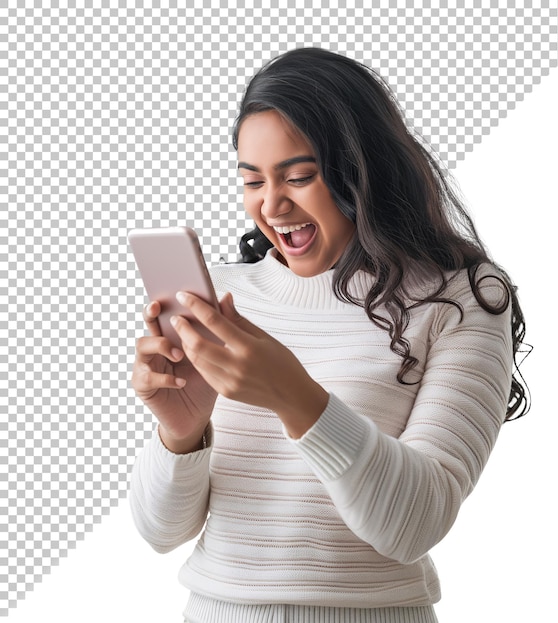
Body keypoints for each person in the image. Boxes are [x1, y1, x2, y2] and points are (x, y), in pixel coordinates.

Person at [129, 47, 529, 623]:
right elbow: (159, 532)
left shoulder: (460, 297)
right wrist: (181, 432)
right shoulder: (223, 298)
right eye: (252, 181)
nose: (272, 205)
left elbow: (415, 525)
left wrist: (295, 397)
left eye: (299, 177)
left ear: (362, 170)